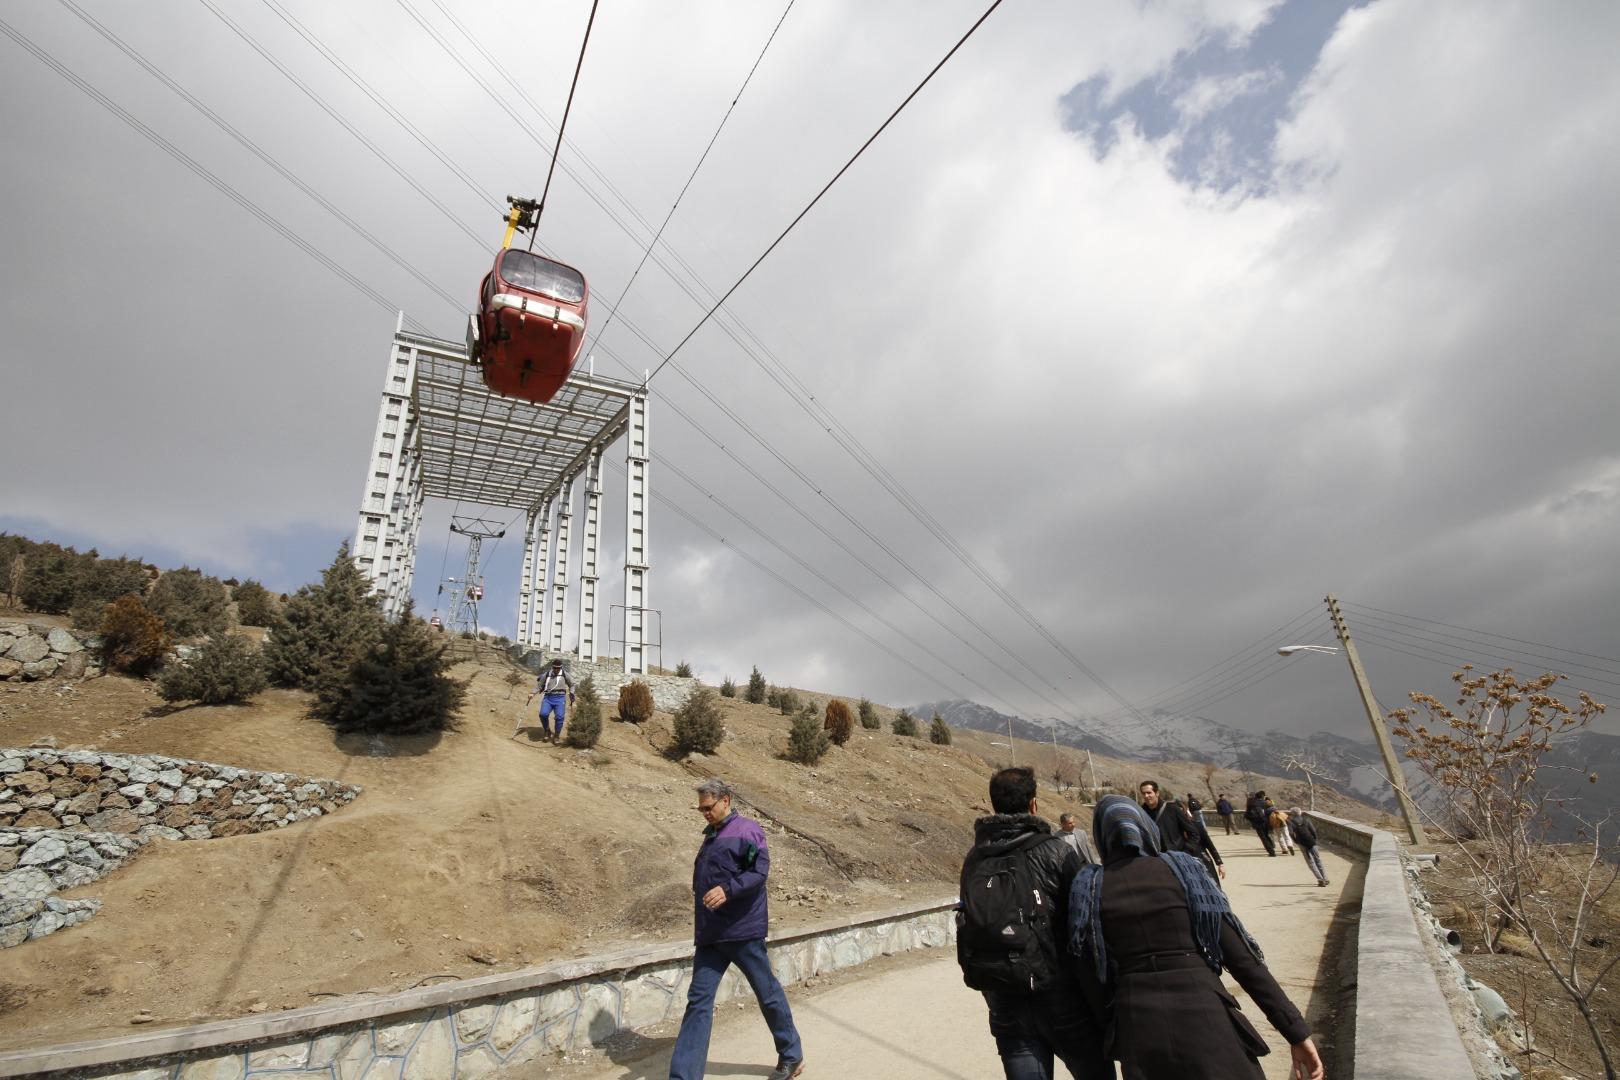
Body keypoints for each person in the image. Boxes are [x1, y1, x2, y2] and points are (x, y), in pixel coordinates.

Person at [1068, 796, 1326, 1080]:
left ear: (1101, 836)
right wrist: (1295, 1032)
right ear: (1144, 828)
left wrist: (1115, 1034)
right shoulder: (1184, 871)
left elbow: (1089, 978)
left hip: (1138, 1031)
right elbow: (1243, 961)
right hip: (1207, 1018)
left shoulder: (1088, 889)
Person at [959, 767, 1109, 1079]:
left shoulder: (975, 858)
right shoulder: (1057, 851)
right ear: (1034, 805)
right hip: (1063, 999)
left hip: (1004, 999)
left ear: (994, 805)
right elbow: (1087, 923)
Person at [669, 778, 804, 1080]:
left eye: (708, 807)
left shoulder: (747, 831)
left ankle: (791, 1055)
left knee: (767, 993)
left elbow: (759, 872)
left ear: (725, 800)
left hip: (743, 931)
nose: (704, 813)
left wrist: (728, 890)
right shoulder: (711, 836)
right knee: (698, 1003)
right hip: (711, 934)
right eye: (701, 809)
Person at [1138, 781, 1224, 883]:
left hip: (1178, 860)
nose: (1146, 796)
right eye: (1143, 793)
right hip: (1158, 862)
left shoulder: (1172, 809)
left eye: (1149, 793)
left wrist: (1186, 851)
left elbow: (1194, 833)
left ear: (1156, 793)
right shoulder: (1140, 813)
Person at [527, 658, 575, 744]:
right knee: (543, 714)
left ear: (561, 667)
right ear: (552, 667)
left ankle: (556, 736)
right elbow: (539, 686)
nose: (556, 669)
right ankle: (547, 730)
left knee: (560, 717)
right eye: (555, 668)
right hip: (548, 697)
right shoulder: (547, 674)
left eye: (558, 668)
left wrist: (571, 693)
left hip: (560, 698)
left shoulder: (565, 674)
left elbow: (572, 684)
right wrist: (532, 693)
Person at [1288, 808, 1329, 887]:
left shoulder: (1291, 822)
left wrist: (1296, 841)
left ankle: (1320, 880)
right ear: (1300, 813)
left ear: (1292, 814)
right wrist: (1314, 839)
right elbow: (1313, 831)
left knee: (1311, 862)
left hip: (1302, 844)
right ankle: (1325, 878)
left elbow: (1291, 833)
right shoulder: (1306, 820)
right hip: (1312, 842)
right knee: (1318, 860)